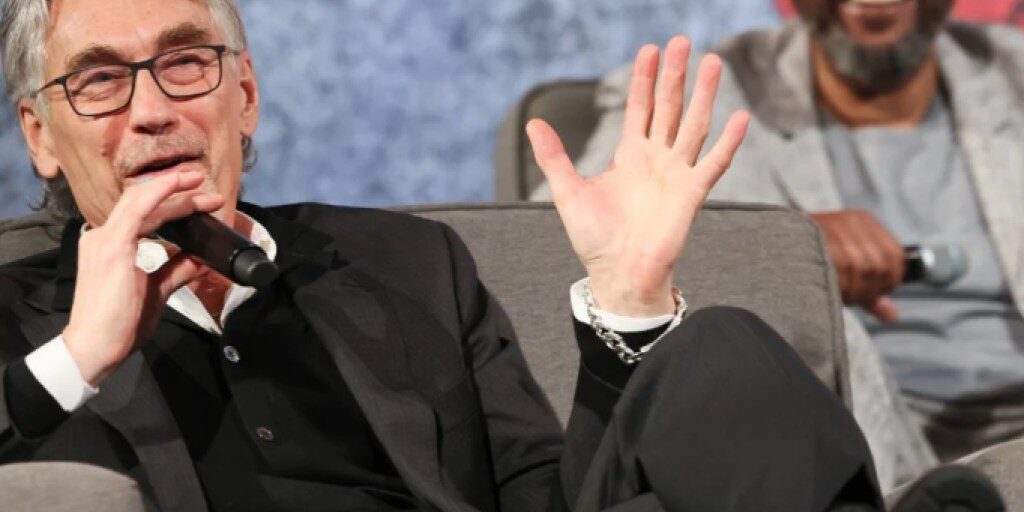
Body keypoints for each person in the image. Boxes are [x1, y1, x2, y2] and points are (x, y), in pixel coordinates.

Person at [0, 0, 1002, 510]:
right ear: (40, 135)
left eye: (185, 61)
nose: (153, 108)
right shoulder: (20, 321)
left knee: (723, 348)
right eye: (99, 81)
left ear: (245, 96)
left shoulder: (402, 261)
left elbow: (551, 495)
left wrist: (626, 297)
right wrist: (79, 356)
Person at [542, 0, 1024, 477]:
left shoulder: (1013, 70)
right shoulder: (700, 95)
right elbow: (546, 253)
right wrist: (782, 252)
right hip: (861, 444)